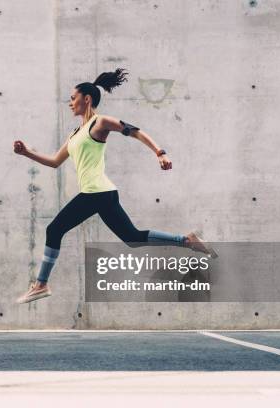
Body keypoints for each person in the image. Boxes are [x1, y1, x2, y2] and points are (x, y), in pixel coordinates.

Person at [13, 68, 216, 304]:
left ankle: (41, 284)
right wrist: (27, 153)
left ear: (86, 99)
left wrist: (160, 152)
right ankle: (186, 240)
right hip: (101, 194)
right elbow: (55, 162)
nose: (70, 103)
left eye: (73, 98)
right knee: (132, 238)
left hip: (96, 192)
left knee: (54, 230)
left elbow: (135, 131)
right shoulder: (75, 133)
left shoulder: (100, 122)